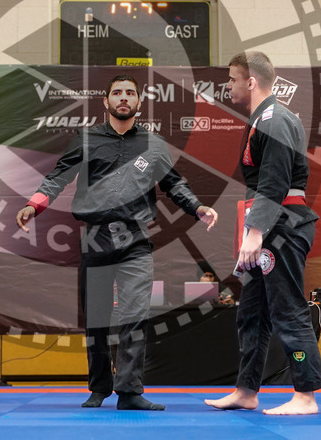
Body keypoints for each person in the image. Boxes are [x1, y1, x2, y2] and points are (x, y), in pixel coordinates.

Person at [16, 74, 218, 411]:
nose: (123, 97)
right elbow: (58, 176)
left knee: (134, 315)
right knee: (96, 319)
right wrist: (33, 205)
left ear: (139, 102)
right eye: (117, 93)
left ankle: (129, 392)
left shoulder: (153, 144)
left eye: (130, 93)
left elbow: (173, 183)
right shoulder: (87, 139)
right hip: (95, 238)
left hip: (136, 239)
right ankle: (99, 387)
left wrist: (197, 207)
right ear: (106, 101)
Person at [205, 51, 321, 415]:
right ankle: (246, 390)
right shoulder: (261, 119)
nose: (228, 86)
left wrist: (255, 232)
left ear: (251, 81)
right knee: (252, 312)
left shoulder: (274, 119)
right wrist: (252, 231)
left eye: (232, 79)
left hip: (282, 225)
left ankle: (305, 395)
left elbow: (274, 181)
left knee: (287, 308)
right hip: (268, 224)